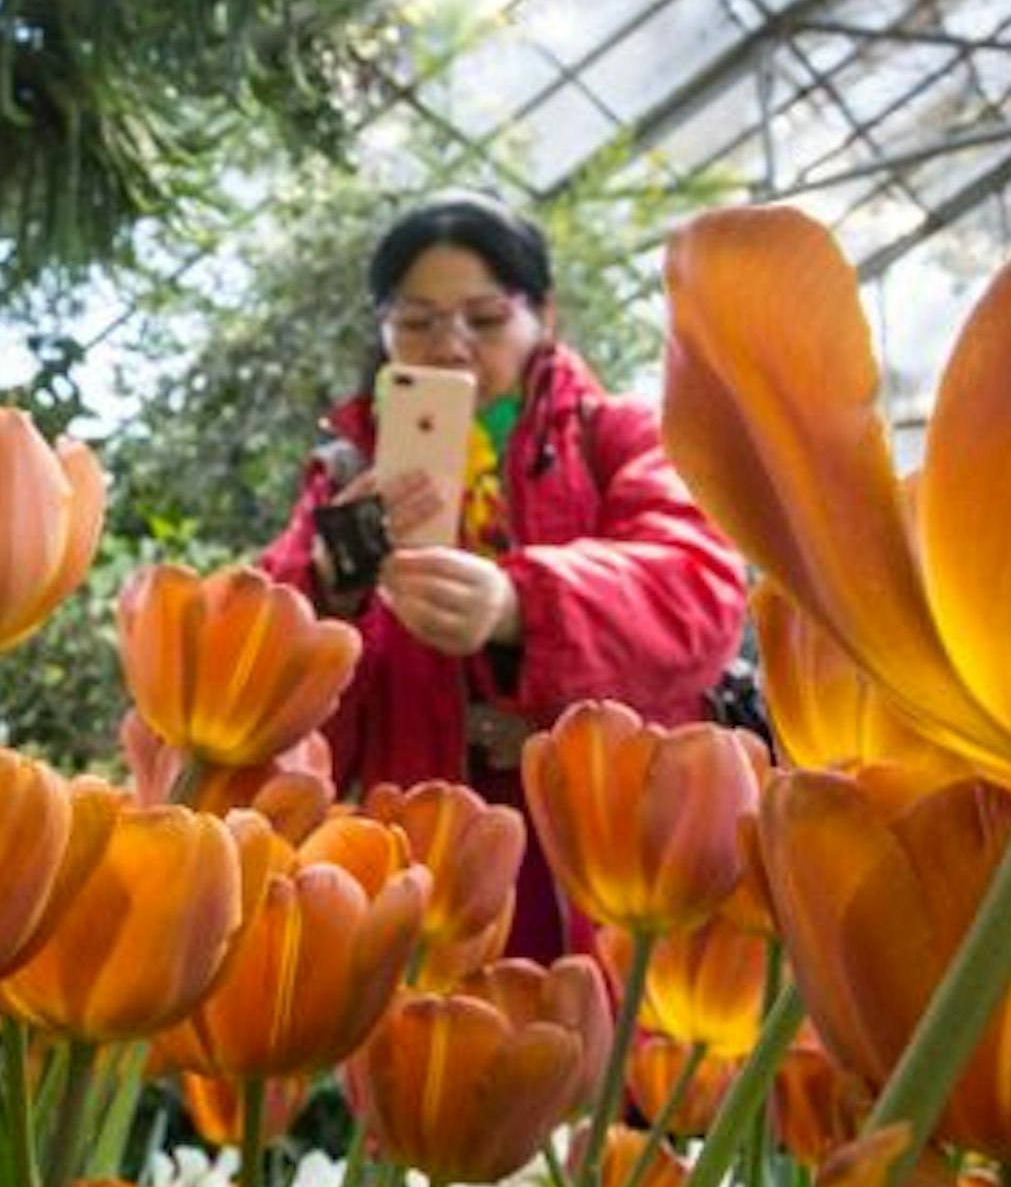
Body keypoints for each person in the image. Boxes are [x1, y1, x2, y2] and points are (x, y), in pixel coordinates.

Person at [261, 193, 747, 957]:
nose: (450, 348)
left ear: (543, 318)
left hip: (625, 857)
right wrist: (332, 589)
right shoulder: (346, 481)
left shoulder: (616, 437)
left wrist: (523, 602)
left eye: (484, 319)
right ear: (384, 333)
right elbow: (291, 723)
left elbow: (701, 589)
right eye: (416, 322)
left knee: (629, 1058)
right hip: (433, 874)